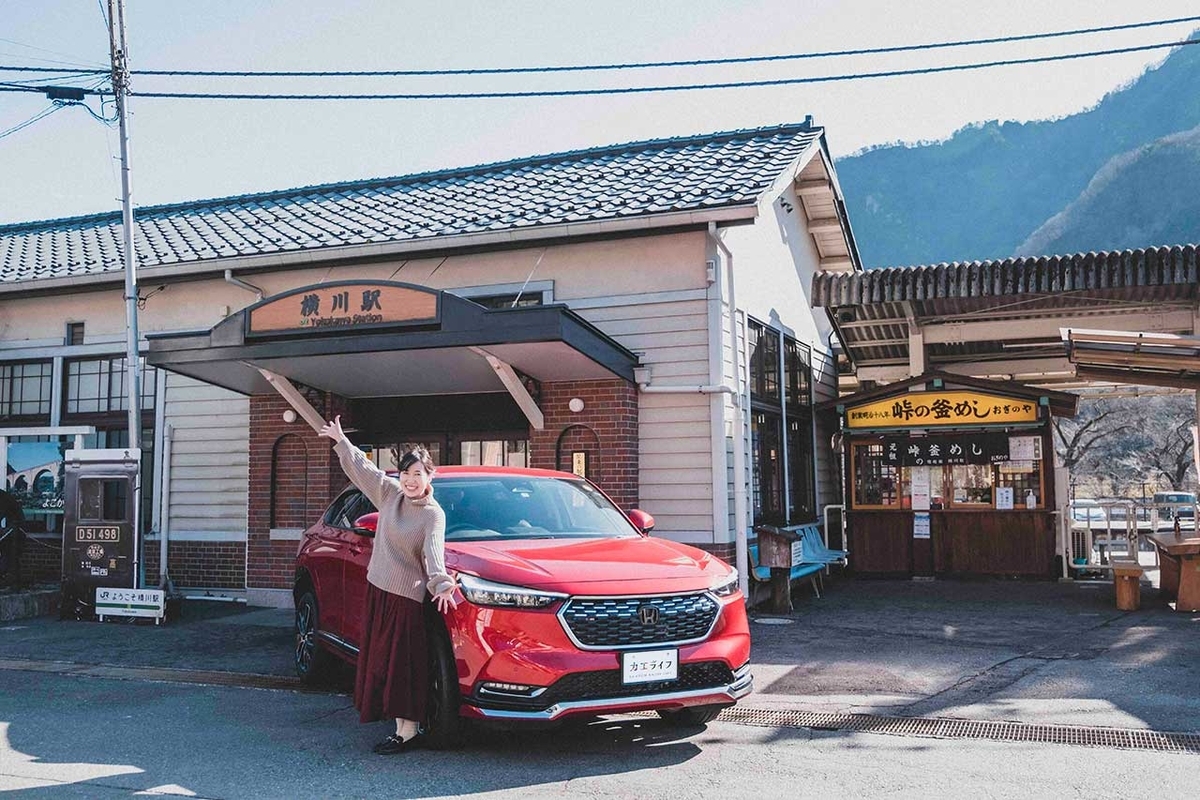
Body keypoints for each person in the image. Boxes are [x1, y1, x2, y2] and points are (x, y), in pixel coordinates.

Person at [318, 415, 458, 755]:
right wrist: (341, 441)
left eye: (418, 474)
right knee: (381, 661)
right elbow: (364, 472)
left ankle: (407, 732)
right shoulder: (391, 495)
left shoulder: (432, 514)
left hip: (406, 599)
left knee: (401, 666)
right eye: (406, 473)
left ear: (429, 477)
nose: (410, 481)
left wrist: (441, 584)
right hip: (378, 590)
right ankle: (398, 727)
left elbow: (433, 553)